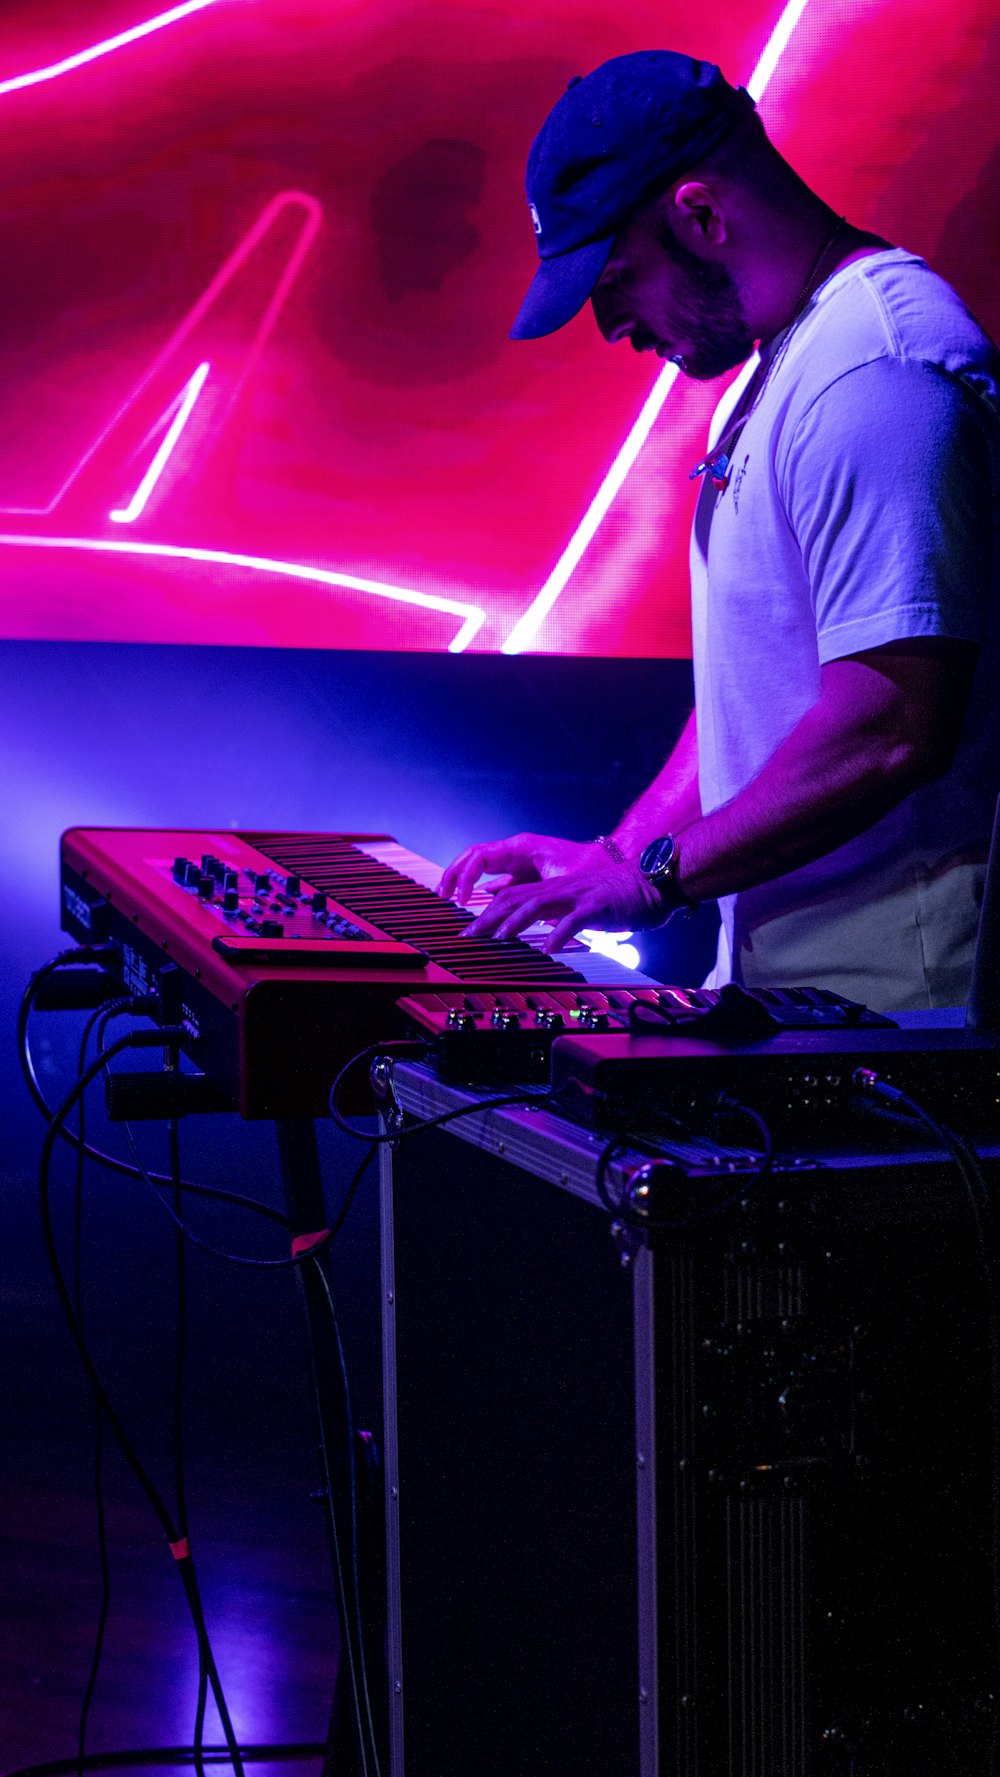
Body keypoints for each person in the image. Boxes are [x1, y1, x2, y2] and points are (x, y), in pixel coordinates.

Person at [439, 49, 1000, 1012]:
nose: (606, 323)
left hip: (904, 1017)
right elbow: (760, 695)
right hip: (805, 1006)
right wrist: (618, 856)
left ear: (701, 215)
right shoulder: (776, 369)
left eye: (613, 279)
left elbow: (893, 724)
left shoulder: (878, 372)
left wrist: (656, 877)